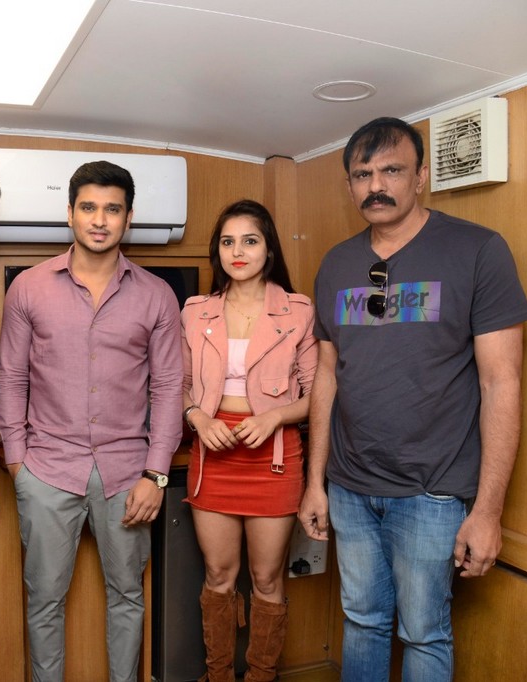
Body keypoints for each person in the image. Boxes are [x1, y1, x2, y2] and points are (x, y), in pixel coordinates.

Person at [298, 117, 527, 681]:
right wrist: (316, 482)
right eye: (362, 174)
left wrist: (488, 511)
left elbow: (501, 384)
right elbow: (327, 376)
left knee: (424, 633)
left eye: (392, 170)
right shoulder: (336, 263)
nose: (376, 185)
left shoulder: (477, 250)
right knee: (361, 620)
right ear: (349, 184)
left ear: (421, 176)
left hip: (433, 492)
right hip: (351, 486)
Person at [0, 160, 183, 682]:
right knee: (43, 599)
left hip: (129, 476)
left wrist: (155, 475)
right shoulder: (29, 288)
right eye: (89, 208)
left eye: (112, 209)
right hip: (46, 470)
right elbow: (10, 377)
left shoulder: (156, 294)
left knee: (127, 595)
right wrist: (17, 463)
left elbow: (169, 387)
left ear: (128, 218)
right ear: (70, 213)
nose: (100, 220)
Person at [182, 199, 317, 682]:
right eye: (227, 242)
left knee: (266, 578)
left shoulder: (298, 310)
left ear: (269, 248)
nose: (237, 252)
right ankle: (218, 675)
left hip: (274, 460)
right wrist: (198, 417)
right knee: (218, 576)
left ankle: (261, 675)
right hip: (212, 456)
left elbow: (318, 393)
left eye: (250, 240)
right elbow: (176, 385)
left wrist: (275, 416)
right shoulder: (195, 311)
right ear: (217, 251)